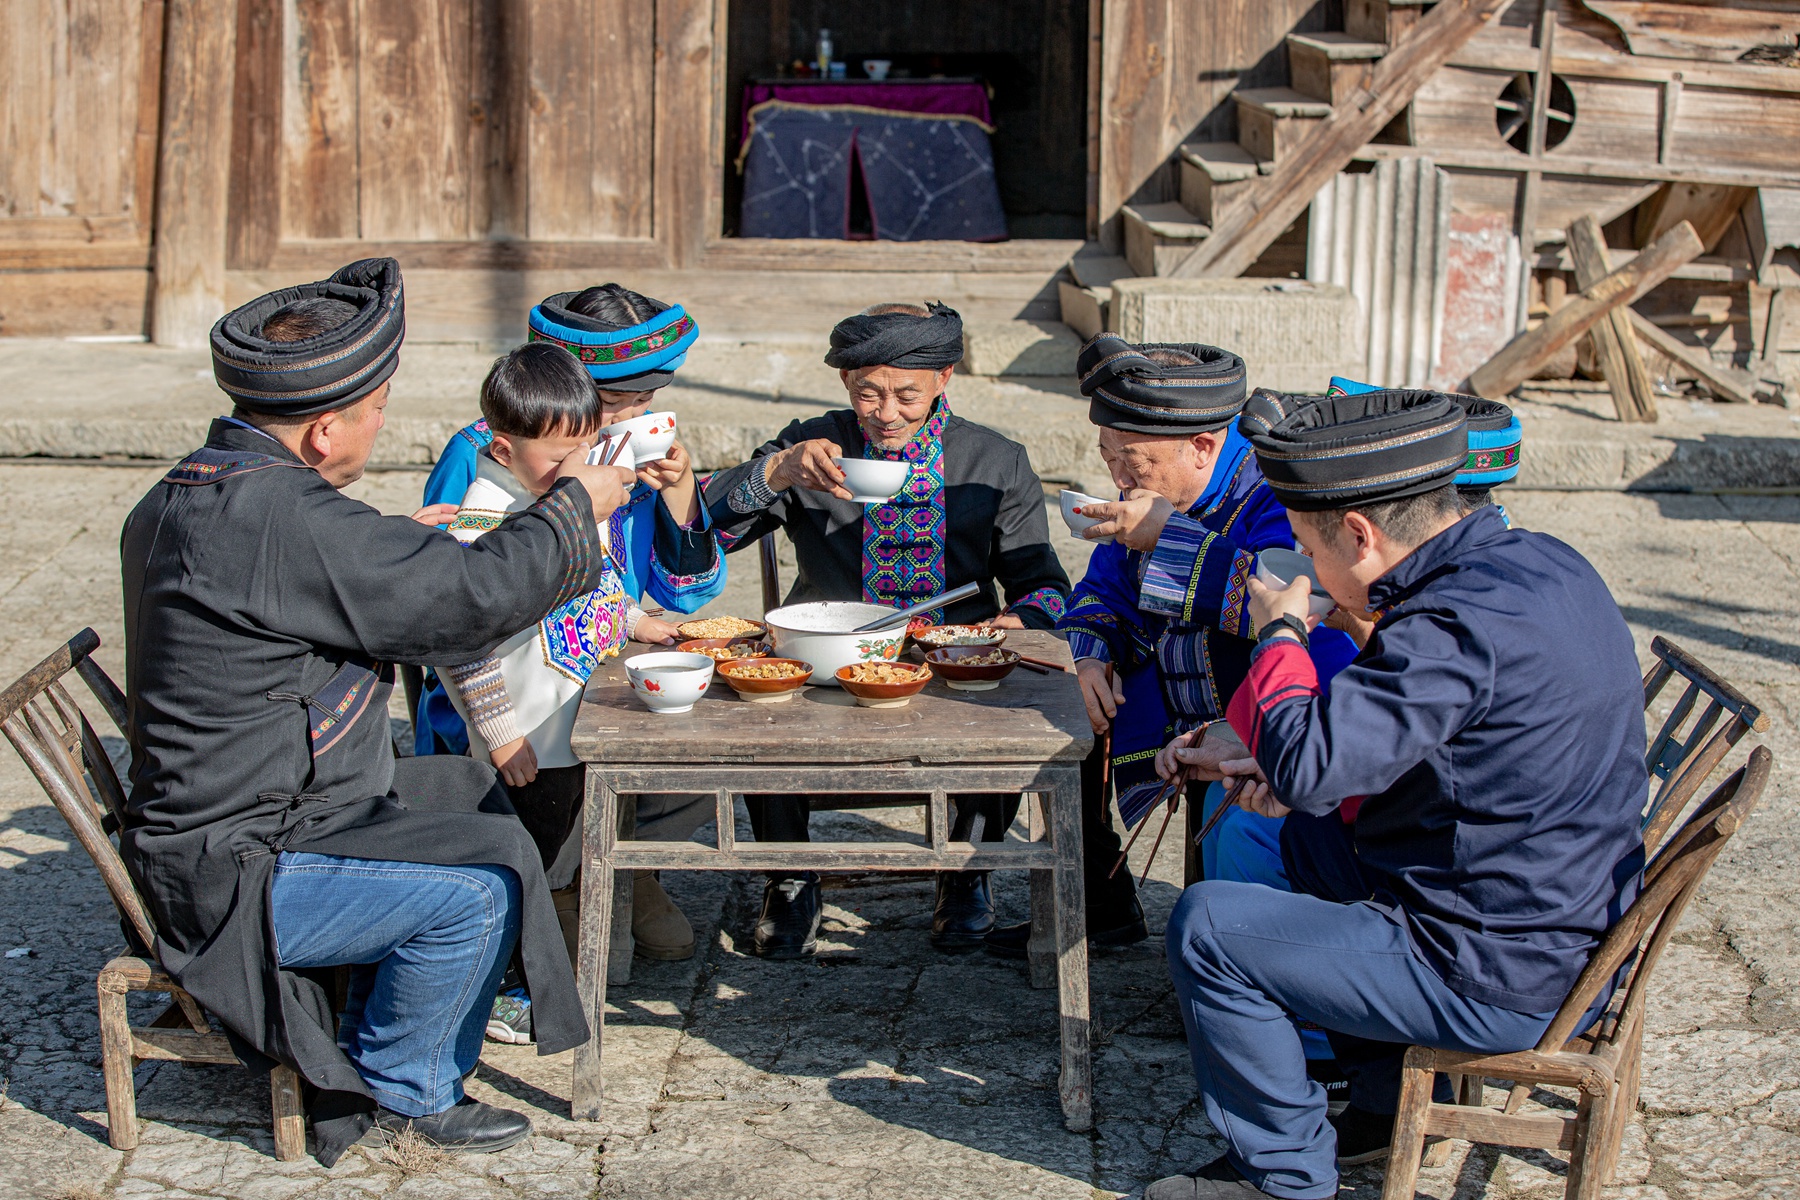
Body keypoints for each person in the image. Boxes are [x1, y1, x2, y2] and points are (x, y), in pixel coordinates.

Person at [119, 259, 636, 1163]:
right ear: (324, 433)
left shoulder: (196, 488)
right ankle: (410, 1082)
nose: (381, 423)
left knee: (473, 793)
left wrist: (414, 547)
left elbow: (340, 579)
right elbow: (463, 602)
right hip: (240, 869)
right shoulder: (283, 519)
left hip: (241, 818)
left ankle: (439, 1024)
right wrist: (568, 511)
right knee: (475, 891)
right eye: (375, 411)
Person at [1144, 387, 1646, 1200]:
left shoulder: (1448, 626)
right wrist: (1289, 762)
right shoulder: (1542, 562)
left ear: (1361, 533)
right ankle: (1377, 1109)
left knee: (1208, 928)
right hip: (1562, 911)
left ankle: (1281, 1180)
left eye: (1309, 548)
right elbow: (1441, 747)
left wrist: (1283, 629)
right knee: (1305, 838)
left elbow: (1311, 766)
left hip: (1496, 968)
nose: (1308, 571)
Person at [702, 302, 1071, 958]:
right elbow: (710, 531)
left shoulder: (993, 460)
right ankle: (789, 875)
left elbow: (1041, 582)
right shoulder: (812, 446)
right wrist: (775, 471)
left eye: (907, 394)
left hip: (949, 663)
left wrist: (1015, 622)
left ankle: (967, 873)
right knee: (759, 695)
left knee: (1006, 705)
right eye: (868, 393)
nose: (887, 412)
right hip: (822, 660)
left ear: (944, 379)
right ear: (847, 386)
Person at [984, 339, 1355, 961]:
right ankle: (1096, 902)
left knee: (1245, 815)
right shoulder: (1150, 496)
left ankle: (1242, 962)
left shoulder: (1277, 493)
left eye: (1134, 463)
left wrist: (1165, 536)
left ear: (1203, 447)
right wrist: (1091, 654)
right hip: (1182, 685)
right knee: (1073, 702)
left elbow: (1296, 605)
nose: (1119, 480)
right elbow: (1098, 594)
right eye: (1108, 459)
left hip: (1290, 694)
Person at [416, 284, 724, 987]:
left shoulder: (606, 450)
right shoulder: (493, 468)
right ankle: (551, 937)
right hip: (513, 700)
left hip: (592, 665)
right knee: (544, 825)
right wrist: (496, 726)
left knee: (694, 729)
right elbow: (456, 614)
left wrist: (677, 496)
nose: (633, 420)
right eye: (618, 403)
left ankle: (625, 867)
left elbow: (657, 585)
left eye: (644, 403)